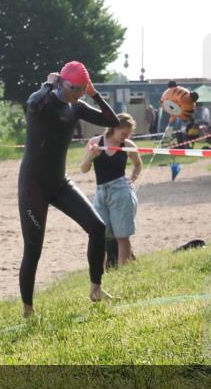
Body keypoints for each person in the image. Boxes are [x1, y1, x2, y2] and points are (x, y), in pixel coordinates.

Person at [17, 62, 120, 317]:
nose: (79, 95)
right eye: (77, 89)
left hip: (59, 183)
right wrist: (47, 83)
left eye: (84, 90)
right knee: (33, 249)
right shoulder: (43, 101)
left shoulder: (77, 106)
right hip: (33, 186)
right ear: (63, 83)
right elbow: (32, 103)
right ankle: (28, 309)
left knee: (97, 228)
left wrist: (94, 94)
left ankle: (96, 288)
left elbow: (112, 120)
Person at [80, 113, 143, 267]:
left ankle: (123, 272)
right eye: (123, 133)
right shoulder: (95, 142)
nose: (125, 137)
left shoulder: (128, 145)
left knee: (122, 236)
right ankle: (98, 274)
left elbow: (138, 164)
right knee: (100, 236)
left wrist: (132, 178)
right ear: (114, 128)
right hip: (100, 193)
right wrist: (91, 157)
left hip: (121, 191)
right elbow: (84, 169)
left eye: (128, 134)